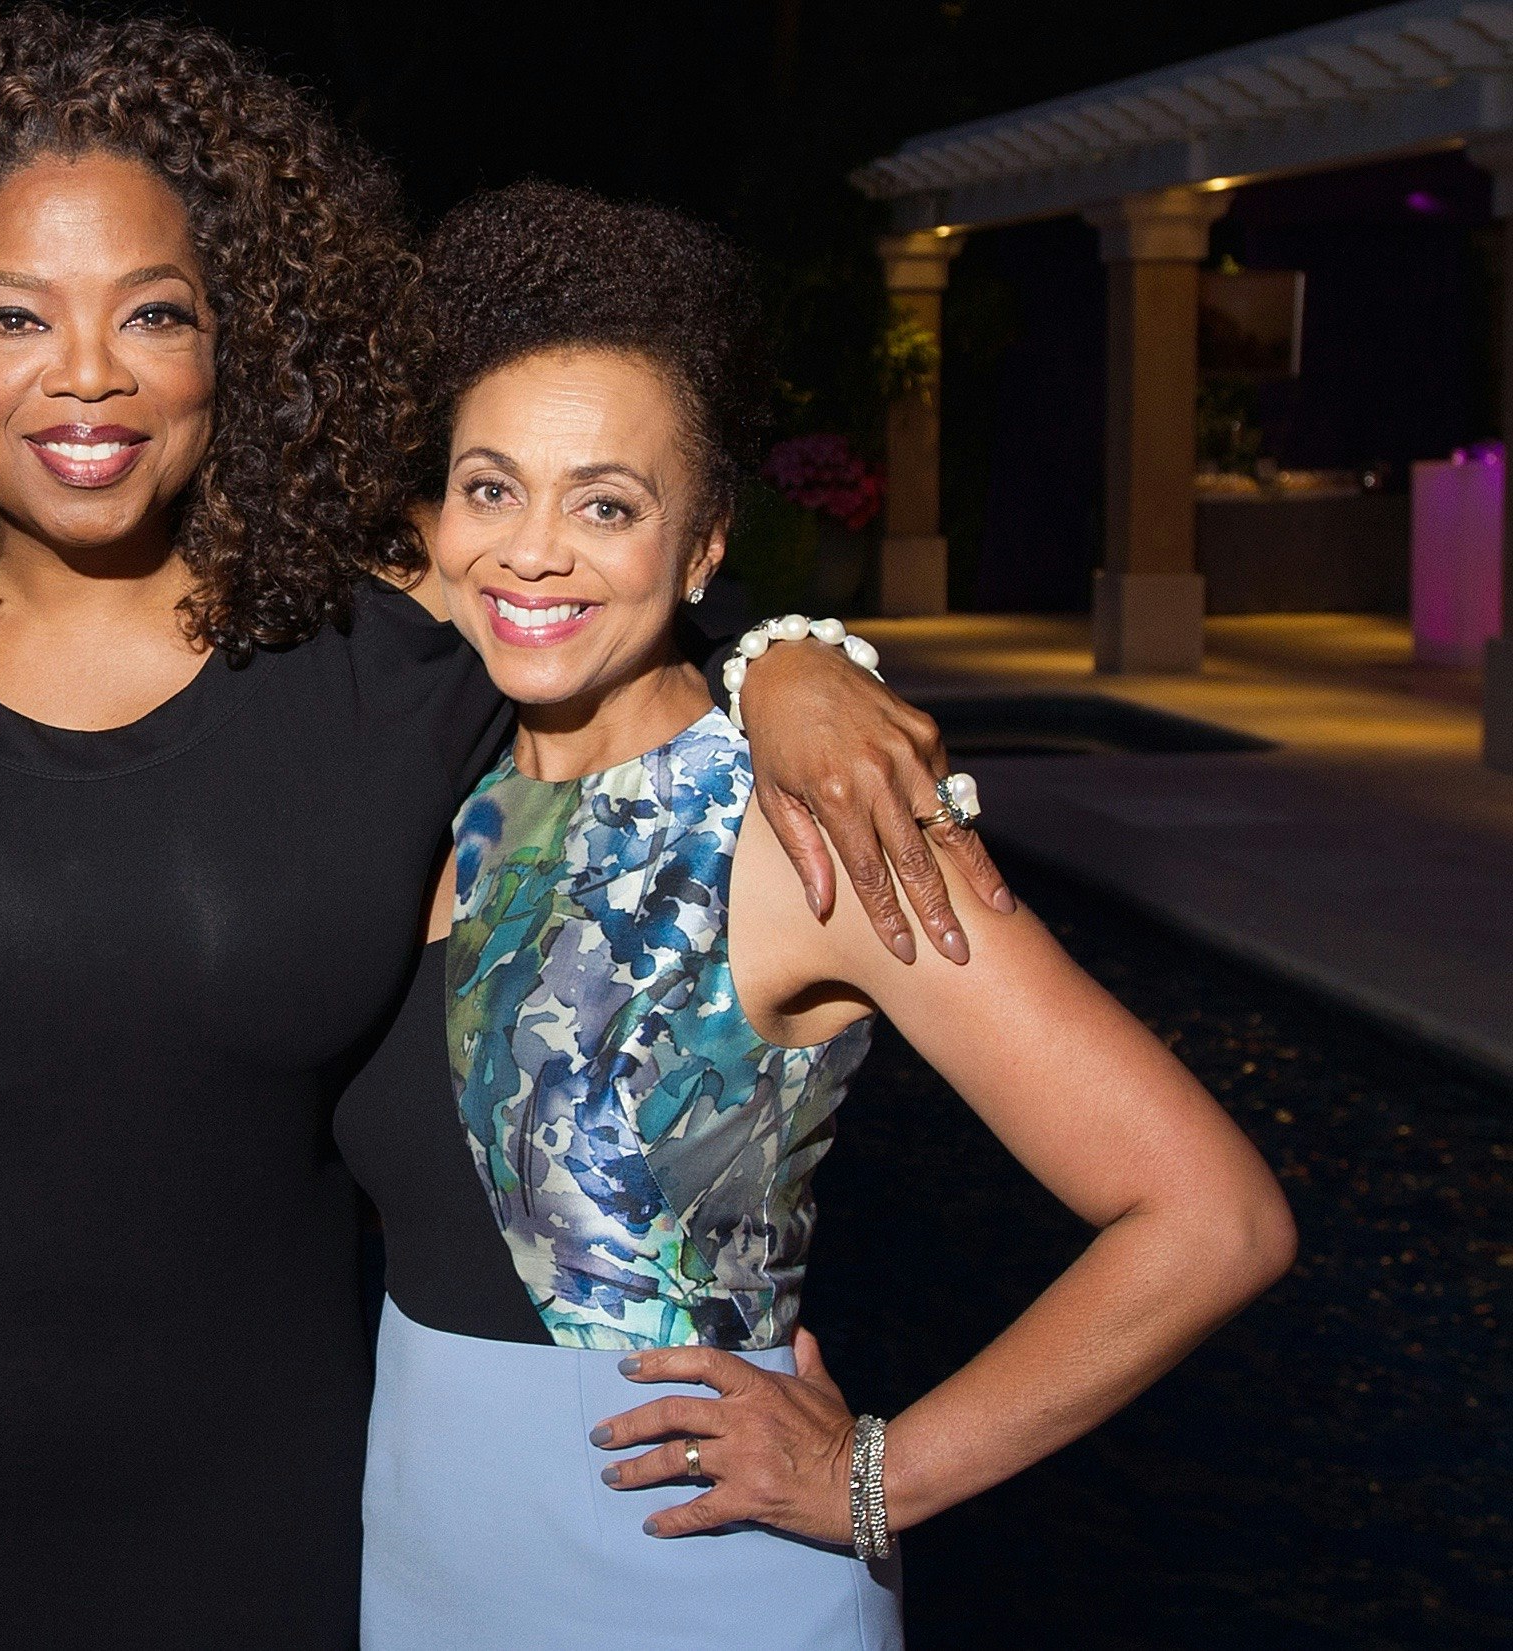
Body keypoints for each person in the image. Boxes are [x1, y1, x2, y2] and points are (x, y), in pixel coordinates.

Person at [0, 12, 994, 1647]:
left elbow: (593, 582)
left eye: (156, 312)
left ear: (249, 336)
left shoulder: (381, 645)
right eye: (13, 317)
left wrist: (787, 659)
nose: (88, 375)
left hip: (237, 1504)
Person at [333, 179, 1296, 1649]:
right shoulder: (440, 768)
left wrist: (879, 1477)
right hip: (425, 1562)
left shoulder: (800, 828)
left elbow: (1211, 1220)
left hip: (682, 1579)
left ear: (707, 543)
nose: (532, 549)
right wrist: (787, 649)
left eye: (608, 502)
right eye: (490, 487)